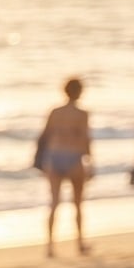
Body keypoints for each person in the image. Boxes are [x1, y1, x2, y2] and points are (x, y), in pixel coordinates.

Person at [36, 77, 93, 256]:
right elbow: (85, 139)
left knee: (54, 203)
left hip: (54, 156)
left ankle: (50, 246)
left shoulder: (55, 112)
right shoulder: (81, 114)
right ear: (79, 92)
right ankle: (80, 243)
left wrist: (40, 161)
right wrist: (91, 162)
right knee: (77, 204)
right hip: (74, 157)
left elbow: (44, 136)